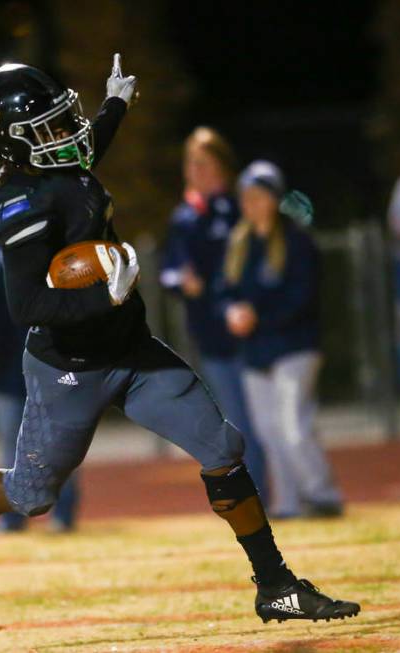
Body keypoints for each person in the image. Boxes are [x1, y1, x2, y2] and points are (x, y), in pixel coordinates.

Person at [0, 57, 359, 624]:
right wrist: (105, 297)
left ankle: (274, 584)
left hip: (131, 349)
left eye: (62, 121)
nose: (67, 135)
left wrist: (115, 105)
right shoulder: (16, 202)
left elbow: (85, 148)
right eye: (49, 128)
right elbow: (26, 306)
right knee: (31, 495)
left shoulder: (62, 163)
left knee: (223, 449)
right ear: (15, 143)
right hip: (68, 368)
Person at [222, 161, 343, 519]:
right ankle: (288, 503)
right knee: (270, 432)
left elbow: (302, 298)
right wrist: (231, 312)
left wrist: (258, 316)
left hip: (295, 346)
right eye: (246, 196)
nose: (251, 203)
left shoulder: (297, 241)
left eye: (259, 196)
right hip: (256, 351)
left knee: (293, 425)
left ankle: (323, 495)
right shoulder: (240, 243)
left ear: (274, 198)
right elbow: (224, 291)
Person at [160, 127, 267, 500]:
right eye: (191, 163)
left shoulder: (241, 207)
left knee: (259, 419)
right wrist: (180, 281)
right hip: (210, 334)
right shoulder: (186, 216)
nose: (196, 171)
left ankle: (265, 494)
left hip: (251, 330)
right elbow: (169, 269)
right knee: (232, 420)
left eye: (203, 163)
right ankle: (256, 494)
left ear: (222, 165)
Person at [0, 229, 77, 532]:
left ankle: (63, 512)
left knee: (60, 439)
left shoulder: (50, 248)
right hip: (4, 365)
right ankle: (12, 515)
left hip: (48, 363)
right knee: (12, 443)